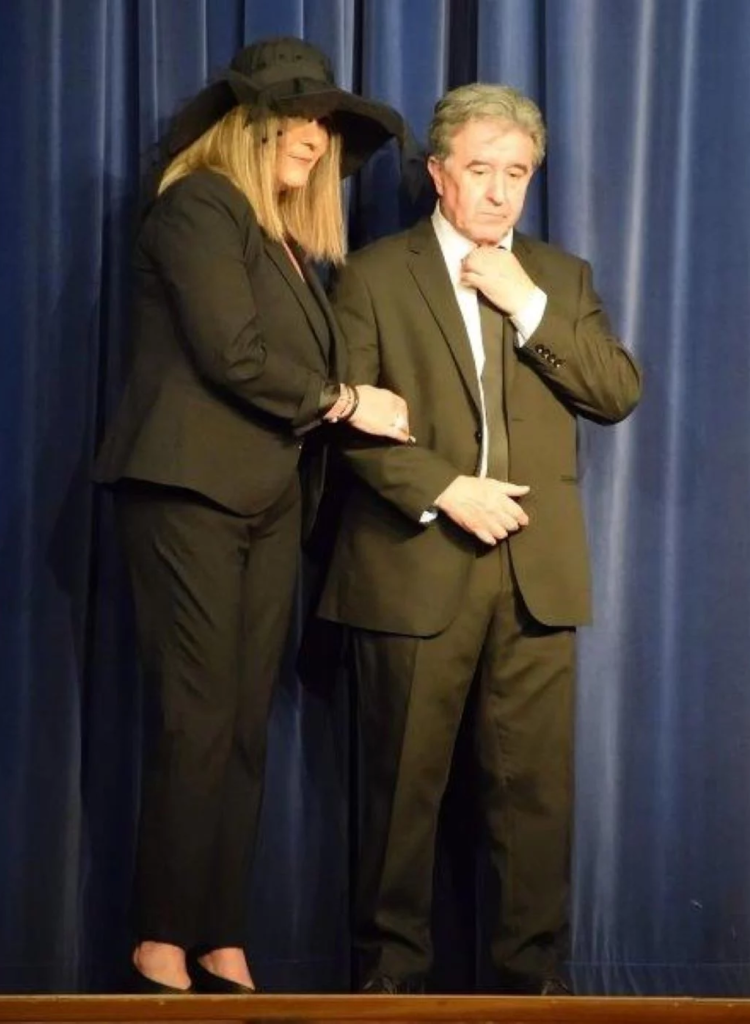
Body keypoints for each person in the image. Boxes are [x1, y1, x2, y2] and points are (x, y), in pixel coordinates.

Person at [94, 37, 412, 995]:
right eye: (295, 115)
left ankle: (217, 931)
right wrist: (348, 401)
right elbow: (230, 352)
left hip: (267, 502)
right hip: (188, 493)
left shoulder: (286, 244)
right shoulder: (198, 205)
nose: (313, 135)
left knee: (241, 725)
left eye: (323, 121)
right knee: (197, 718)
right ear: (246, 123)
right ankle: (160, 934)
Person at [318, 83, 642, 995]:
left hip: (535, 576)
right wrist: (445, 490)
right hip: (411, 566)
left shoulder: (558, 278)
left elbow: (615, 393)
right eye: (480, 170)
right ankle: (388, 983)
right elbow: (343, 420)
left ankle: (532, 985)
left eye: (517, 174)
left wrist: (526, 305)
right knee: (399, 794)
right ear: (437, 174)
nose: (499, 192)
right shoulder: (373, 275)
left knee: (532, 799)